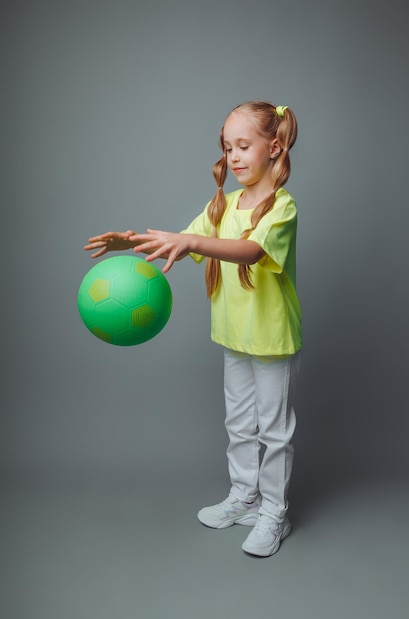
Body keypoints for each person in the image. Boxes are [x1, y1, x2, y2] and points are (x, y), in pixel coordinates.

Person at [84, 100, 302, 557]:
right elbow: (182, 244)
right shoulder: (222, 205)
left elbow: (248, 251)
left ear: (275, 147)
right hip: (233, 335)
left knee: (274, 430)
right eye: (228, 148)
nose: (235, 157)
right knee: (240, 424)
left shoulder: (281, 208)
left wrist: (193, 239)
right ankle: (244, 498)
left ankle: (273, 513)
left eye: (244, 146)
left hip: (272, 337)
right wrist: (131, 242)